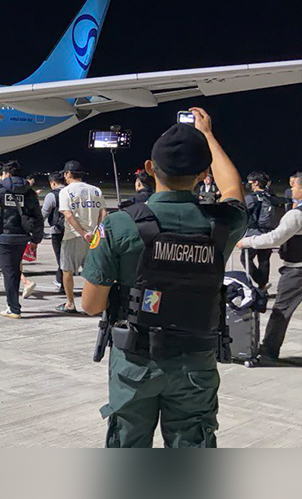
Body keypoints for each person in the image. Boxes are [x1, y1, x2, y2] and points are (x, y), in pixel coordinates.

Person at [81, 107, 247, 448]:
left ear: (149, 168)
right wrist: (208, 134)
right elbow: (232, 187)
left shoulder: (120, 224)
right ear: (204, 174)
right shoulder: (221, 225)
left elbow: (91, 305)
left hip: (135, 361)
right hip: (195, 362)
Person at [237, 172, 302, 361]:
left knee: (281, 310)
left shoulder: (296, 215)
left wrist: (248, 242)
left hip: (296, 270)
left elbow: (275, 238)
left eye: (294, 186)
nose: (291, 190)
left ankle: (268, 351)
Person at [0, 160, 43, 318]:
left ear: (6, 173)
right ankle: (13, 305)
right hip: (22, 237)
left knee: (8, 273)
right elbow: (38, 217)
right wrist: (36, 238)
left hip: (4, 237)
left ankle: (13, 308)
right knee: (15, 270)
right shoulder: (29, 192)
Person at [56, 160, 106, 313]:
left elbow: (68, 215)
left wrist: (83, 233)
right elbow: (103, 213)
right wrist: (96, 232)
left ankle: (70, 303)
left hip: (73, 235)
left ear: (68, 174)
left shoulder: (65, 191)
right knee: (94, 272)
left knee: (67, 270)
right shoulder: (96, 190)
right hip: (94, 237)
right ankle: (96, 303)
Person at [242, 171, 284, 291]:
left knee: (245, 258)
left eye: (250, 182)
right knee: (264, 260)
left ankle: (261, 281)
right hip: (268, 232)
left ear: (256, 183)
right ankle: (263, 287)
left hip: (254, 232)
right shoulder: (270, 196)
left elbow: (244, 211)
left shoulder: (251, 198)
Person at [42, 171, 67, 294]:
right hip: (74, 229)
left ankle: (61, 283)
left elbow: (44, 213)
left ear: (53, 183)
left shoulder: (52, 195)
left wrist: (36, 228)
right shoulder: (70, 192)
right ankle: (59, 280)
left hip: (58, 230)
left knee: (61, 259)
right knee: (67, 259)